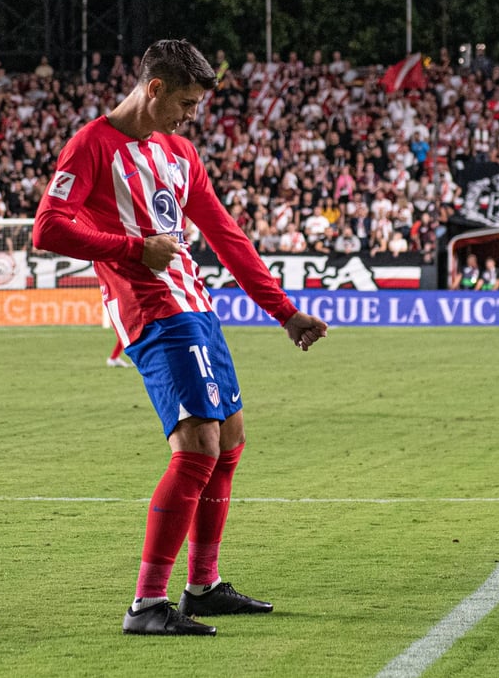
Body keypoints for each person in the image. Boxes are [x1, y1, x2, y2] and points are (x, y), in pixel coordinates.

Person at [32, 39, 329, 636]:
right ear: (155, 89)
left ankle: (204, 587)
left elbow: (225, 233)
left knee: (231, 439)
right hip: (152, 310)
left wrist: (283, 311)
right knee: (197, 446)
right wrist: (132, 247)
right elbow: (48, 229)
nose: (191, 116)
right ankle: (147, 604)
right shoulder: (92, 146)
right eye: (186, 103)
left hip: (197, 307)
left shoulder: (178, 151)